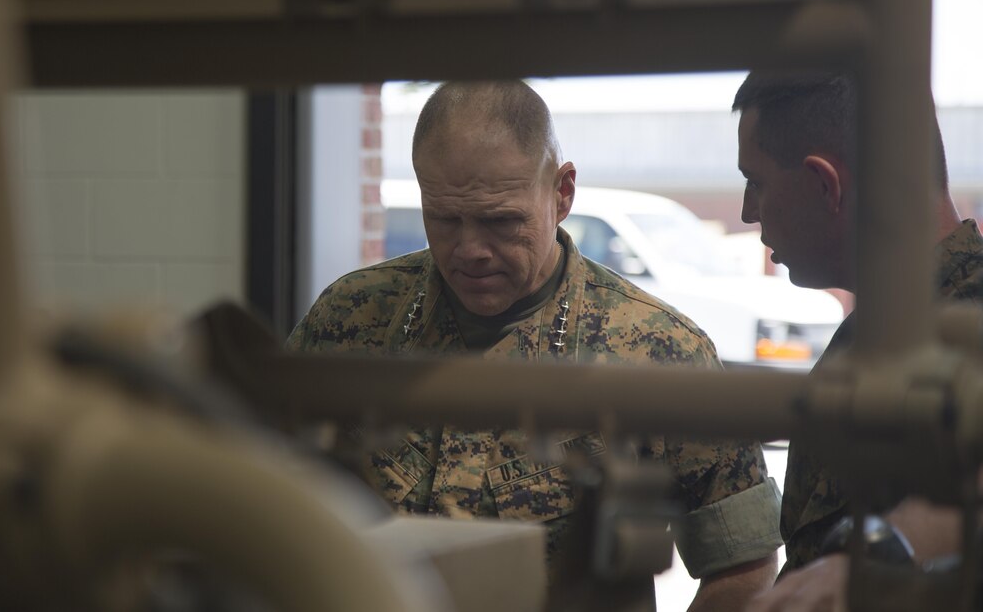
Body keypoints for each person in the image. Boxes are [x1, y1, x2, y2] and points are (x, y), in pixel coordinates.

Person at [288, 80, 782, 611]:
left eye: (501, 221)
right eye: (445, 219)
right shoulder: (353, 319)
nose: (470, 249)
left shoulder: (656, 351)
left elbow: (743, 567)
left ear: (562, 193)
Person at [730, 71, 983, 611]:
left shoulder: (964, 326)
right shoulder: (882, 326)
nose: (749, 213)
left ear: (827, 185)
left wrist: (886, 551)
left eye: (757, 182)